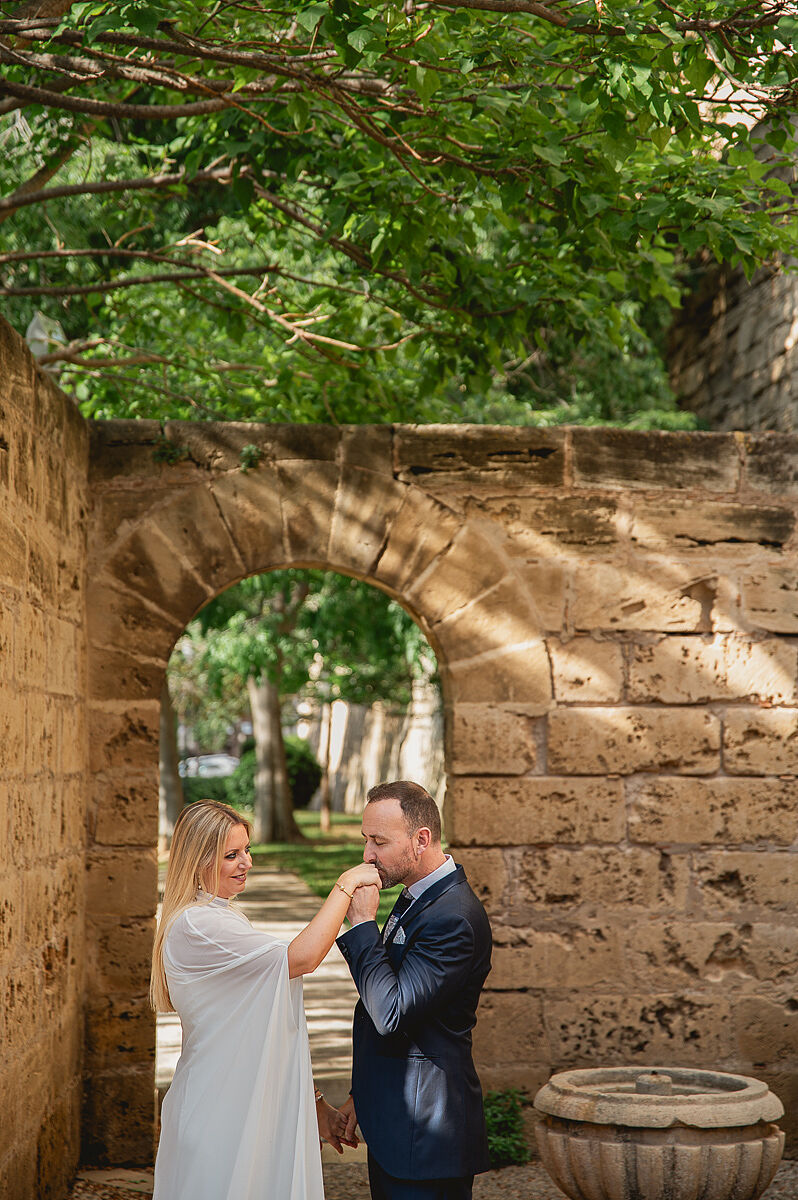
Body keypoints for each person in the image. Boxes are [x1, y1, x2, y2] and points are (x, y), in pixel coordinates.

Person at [150, 799, 381, 1200]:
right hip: (220, 1109)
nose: (247, 863)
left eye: (247, 850)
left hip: (240, 1102)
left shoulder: (220, 917)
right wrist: (346, 886)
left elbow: (261, 1021)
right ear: (198, 859)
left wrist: (313, 1101)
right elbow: (302, 958)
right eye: (231, 855)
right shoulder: (197, 924)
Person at [335, 780, 493, 1200]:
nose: (367, 855)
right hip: (398, 1123)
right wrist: (364, 1091)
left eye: (379, 842)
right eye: (366, 840)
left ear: (421, 839)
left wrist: (364, 925)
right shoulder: (418, 894)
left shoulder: (453, 917)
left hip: (426, 1136)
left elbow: (390, 1012)